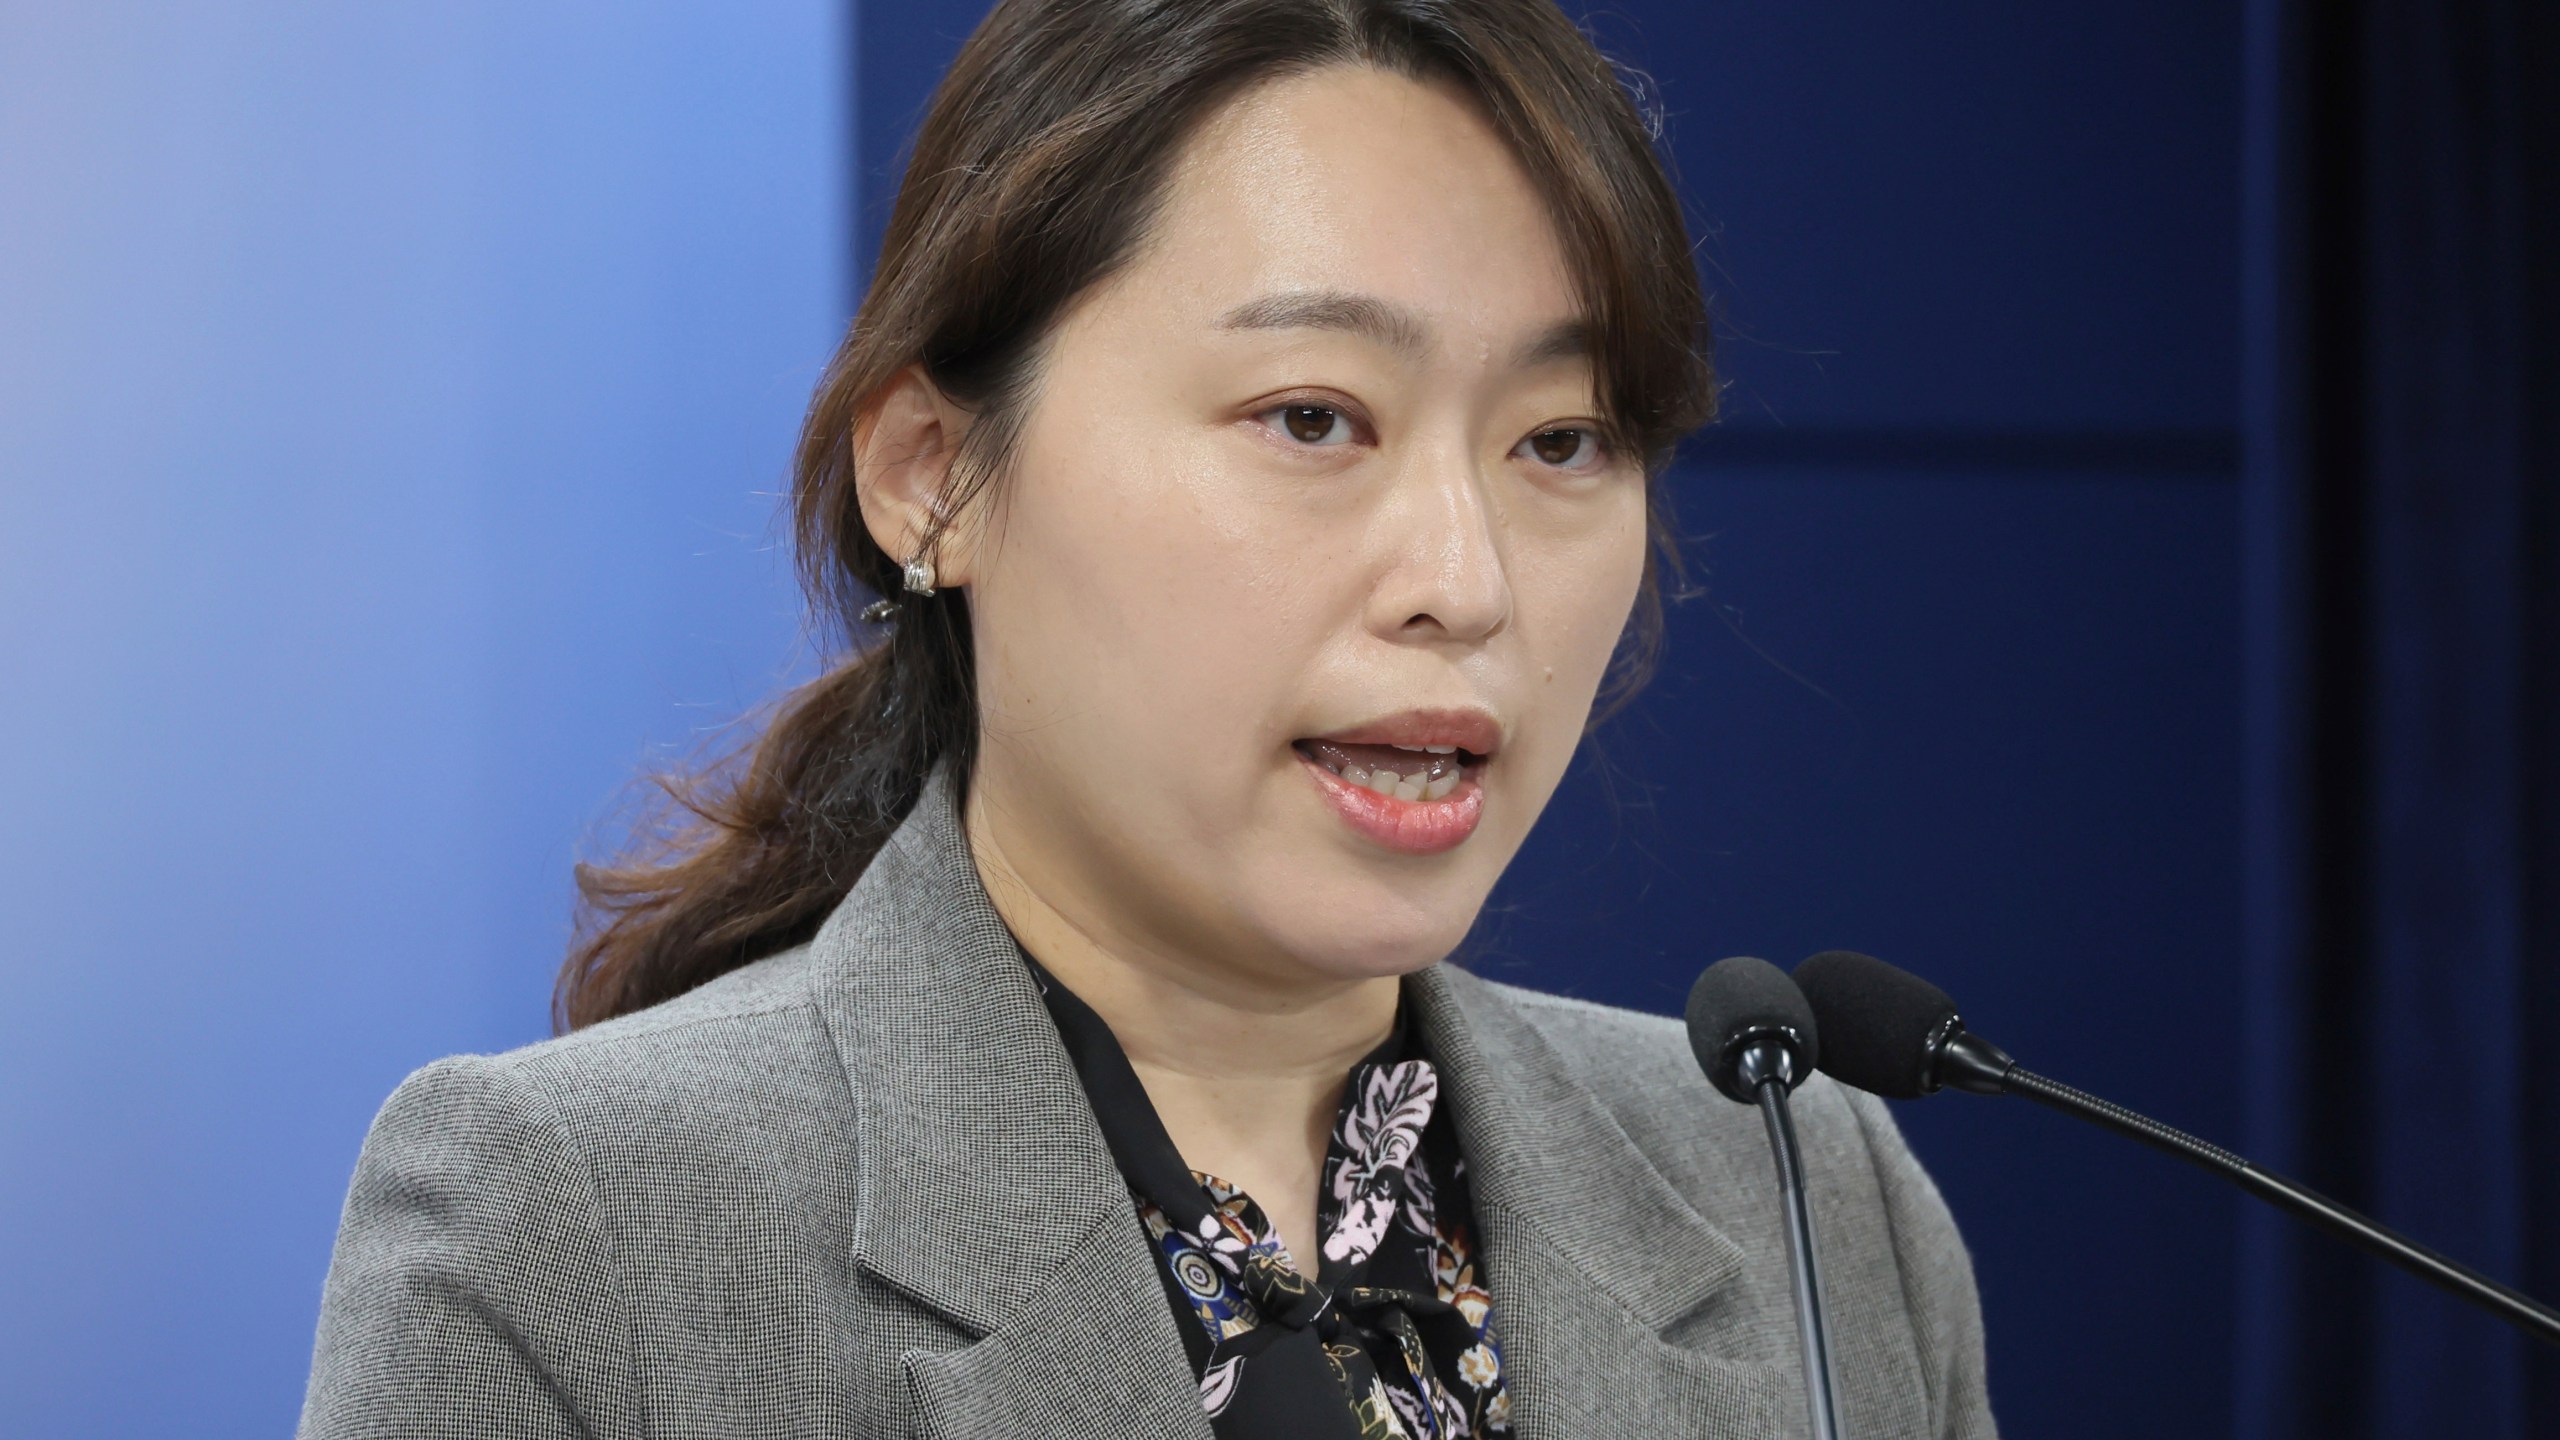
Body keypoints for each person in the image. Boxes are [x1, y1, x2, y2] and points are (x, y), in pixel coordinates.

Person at [299, 1, 1996, 1435]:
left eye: (1561, 440)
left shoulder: (1805, 1202)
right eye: (1316, 417)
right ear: (933, 475)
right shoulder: (571, 1232)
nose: (1467, 581)